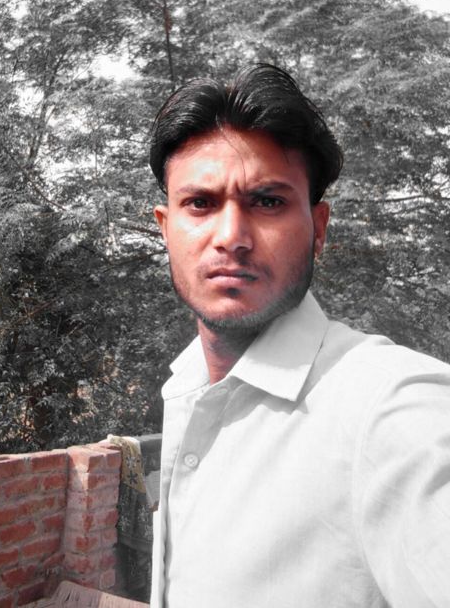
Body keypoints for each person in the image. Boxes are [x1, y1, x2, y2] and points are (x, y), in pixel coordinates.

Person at [147, 63, 450, 608]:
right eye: (201, 204)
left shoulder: (394, 408)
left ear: (319, 229)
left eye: (268, 201)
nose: (231, 237)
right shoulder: (186, 386)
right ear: (166, 229)